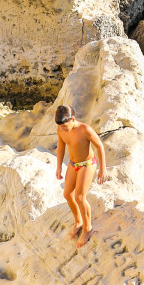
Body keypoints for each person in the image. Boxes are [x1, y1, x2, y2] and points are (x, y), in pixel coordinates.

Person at [54, 103, 107, 247]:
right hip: (73, 164)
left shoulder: (85, 129)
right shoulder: (61, 129)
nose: (63, 128)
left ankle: (88, 228)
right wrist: (59, 167)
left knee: (79, 197)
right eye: (61, 126)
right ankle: (79, 220)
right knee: (67, 194)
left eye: (65, 125)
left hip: (87, 164)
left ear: (73, 119)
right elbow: (61, 146)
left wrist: (103, 169)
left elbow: (99, 146)